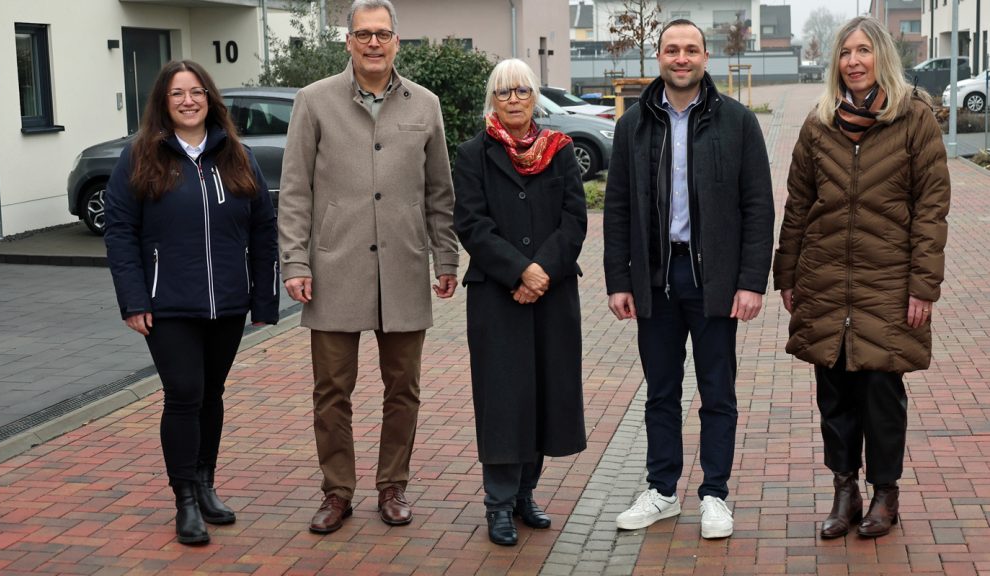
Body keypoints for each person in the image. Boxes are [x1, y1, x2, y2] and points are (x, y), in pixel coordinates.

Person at [276, 0, 460, 534]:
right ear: (349, 41)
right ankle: (337, 492)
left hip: (403, 267)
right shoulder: (313, 102)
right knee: (331, 390)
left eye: (383, 34)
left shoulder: (425, 105)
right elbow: (294, 193)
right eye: (363, 34)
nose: (373, 43)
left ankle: (392, 486)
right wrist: (294, 260)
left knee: (404, 389)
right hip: (333, 268)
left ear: (397, 41)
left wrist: (445, 255)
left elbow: (439, 192)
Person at [773, 16, 949, 539]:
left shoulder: (914, 118)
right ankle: (844, 491)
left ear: (882, 58)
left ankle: (886, 495)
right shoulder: (818, 123)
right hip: (825, 281)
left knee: (881, 390)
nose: (853, 61)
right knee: (835, 393)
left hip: (888, 282)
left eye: (863, 51)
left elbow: (932, 208)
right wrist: (787, 273)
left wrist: (923, 285)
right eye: (845, 52)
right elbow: (799, 206)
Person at [603, 19, 774, 540]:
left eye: (691, 50)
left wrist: (751, 281)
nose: (681, 58)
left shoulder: (737, 121)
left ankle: (715, 496)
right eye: (672, 49)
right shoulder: (633, 124)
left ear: (706, 57)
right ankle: (661, 491)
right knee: (661, 391)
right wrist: (619, 279)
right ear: (658, 57)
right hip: (656, 276)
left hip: (715, 279)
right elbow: (616, 208)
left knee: (717, 391)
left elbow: (758, 207)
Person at [104, 60, 279, 545]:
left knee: (211, 395)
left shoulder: (237, 155)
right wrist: (133, 299)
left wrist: (262, 299)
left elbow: (264, 227)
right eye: (177, 93)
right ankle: (184, 498)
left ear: (210, 99)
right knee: (183, 394)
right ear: (163, 102)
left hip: (226, 303)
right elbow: (120, 234)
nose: (187, 101)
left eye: (196, 92)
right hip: (167, 304)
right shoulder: (140, 156)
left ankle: (205, 484)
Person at [452, 58, 588, 546]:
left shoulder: (561, 151)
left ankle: (526, 494)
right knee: (504, 400)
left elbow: (575, 219)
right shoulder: (472, 154)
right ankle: (498, 504)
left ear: (535, 98)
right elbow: (471, 223)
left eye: (522, 91)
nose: (513, 99)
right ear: (494, 98)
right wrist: (519, 270)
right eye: (504, 91)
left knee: (544, 396)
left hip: (551, 296)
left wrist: (541, 273)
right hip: (497, 296)